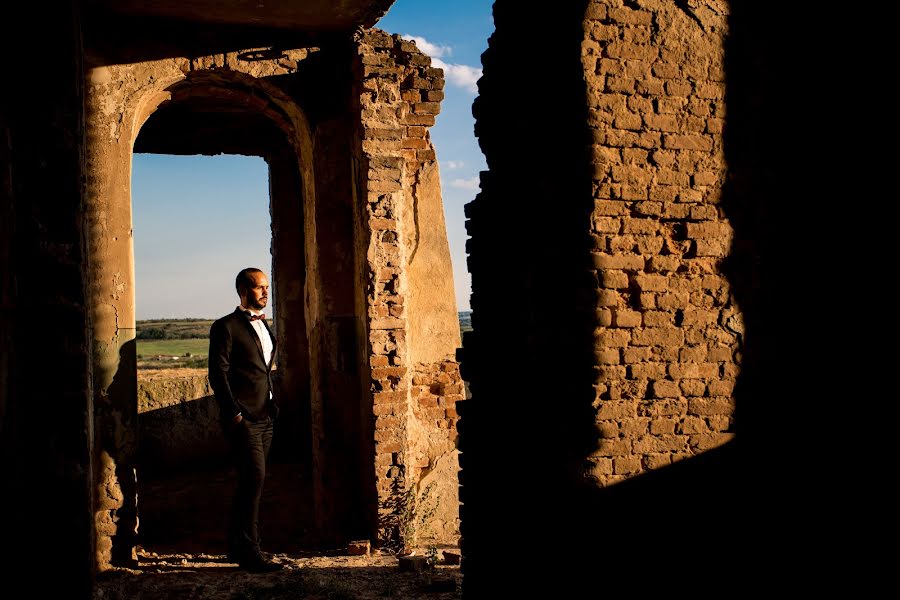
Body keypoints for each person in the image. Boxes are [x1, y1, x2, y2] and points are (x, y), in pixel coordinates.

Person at [208, 267, 283, 573]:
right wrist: (234, 412)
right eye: (258, 287)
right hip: (244, 419)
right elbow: (218, 372)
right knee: (255, 478)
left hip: (266, 416)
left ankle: (235, 546)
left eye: (267, 287)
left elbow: (262, 371)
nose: (265, 292)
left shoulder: (266, 327)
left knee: (249, 483)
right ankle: (251, 552)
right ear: (242, 290)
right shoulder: (225, 326)